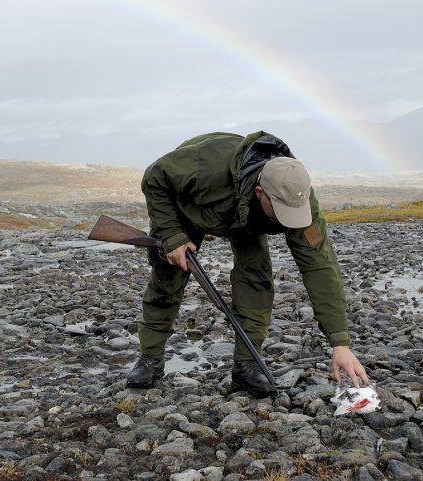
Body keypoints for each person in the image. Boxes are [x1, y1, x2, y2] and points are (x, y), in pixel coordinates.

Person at [128, 131, 368, 397]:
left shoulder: (297, 196)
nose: (287, 222)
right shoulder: (205, 165)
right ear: (260, 192)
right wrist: (172, 235)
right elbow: (154, 177)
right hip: (189, 204)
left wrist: (340, 342)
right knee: (167, 279)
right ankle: (150, 358)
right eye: (280, 213)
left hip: (246, 221)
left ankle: (246, 365)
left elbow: (320, 267)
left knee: (256, 280)